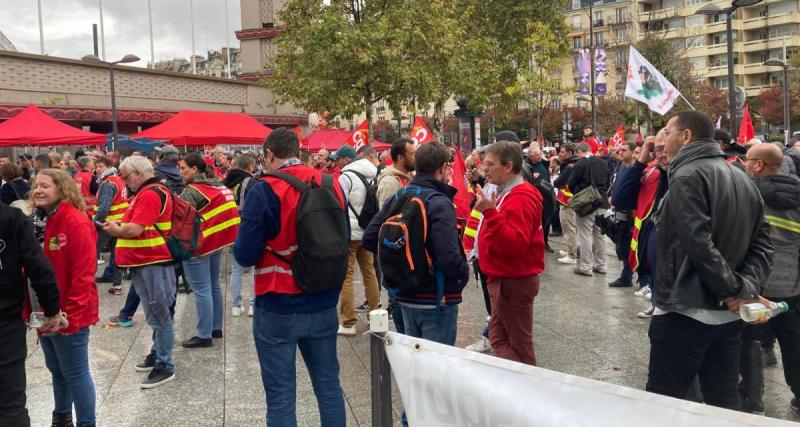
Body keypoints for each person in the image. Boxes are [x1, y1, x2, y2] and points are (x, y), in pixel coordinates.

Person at [646, 111, 773, 410]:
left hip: (686, 312)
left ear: (686, 135)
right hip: (726, 315)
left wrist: (735, 290)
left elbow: (697, 242)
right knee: (722, 400)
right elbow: (763, 244)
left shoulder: (688, 176)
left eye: (667, 131)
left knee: (662, 402)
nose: (662, 141)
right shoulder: (740, 176)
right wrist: (743, 290)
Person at [234, 128, 346, 426]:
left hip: (278, 302)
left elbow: (244, 254)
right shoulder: (329, 183)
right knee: (329, 387)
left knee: (281, 395)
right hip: (323, 298)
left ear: (269, 154)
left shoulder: (264, 189)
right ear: (298, 149)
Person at [363, 142, 469, 346]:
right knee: (436, 368)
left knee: (414, 366)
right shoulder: (439, 202)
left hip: (404, 294)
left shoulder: (400, 195)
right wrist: (460, 276)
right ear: (442, 168)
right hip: (435, 297)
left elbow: (370, 237)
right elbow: (448, 257)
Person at [102, 156, 177, 389]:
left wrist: (116, 229)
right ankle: (158, 354)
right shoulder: (148, 193)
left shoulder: (150, 194)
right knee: (155, 313)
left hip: (154, 261)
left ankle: (165, 364)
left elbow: (134, 229)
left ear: (137, 173)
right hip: (146, 262)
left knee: (160, 313)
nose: (124, 183)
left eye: (125, 177)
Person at [31, 169, 99, 427]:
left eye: (45, 186)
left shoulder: (75, 221)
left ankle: (87, 423)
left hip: (69, 314)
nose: (38, 190)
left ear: (62, 188)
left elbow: (84, 274)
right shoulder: (38, 220)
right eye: (36, 185)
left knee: (75, 372)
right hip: (44, 310)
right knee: (57, 370)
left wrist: (70, 313)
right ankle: (61, 418)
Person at [740, 143, 800, 415]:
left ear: (760, 165)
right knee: (794, 342)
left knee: (750, 340)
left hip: (758, 281)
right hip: (793, 283)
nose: (744, 164)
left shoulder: (747, 192)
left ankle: (752, 402)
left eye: (748, 160)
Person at [473, 141, 544, 365]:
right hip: (503, 278)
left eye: (490, 164)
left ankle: (526, 386)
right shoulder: (508, 192)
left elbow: (515, 243)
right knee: (498, 336)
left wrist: (491, 214)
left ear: (508, 166)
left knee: (519, 344)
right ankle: (516, 380)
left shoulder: (521, 196)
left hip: (513, 281)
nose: (485, 169)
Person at [0, 202, 62, 427]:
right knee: (10, 403)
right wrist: (52, 310)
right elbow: (38, 267)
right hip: (5, 322)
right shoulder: (11, 218)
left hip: (6, 321)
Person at [178, 153, 240, 347]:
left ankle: (204, 335)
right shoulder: (218, 183)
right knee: (213, 285)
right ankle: (215, 328)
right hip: (218, 240)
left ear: (195, 170)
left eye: (183, 168)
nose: (180, 172)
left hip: (199, 244)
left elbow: (180, 219)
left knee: (201, 288)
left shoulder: (191, 190)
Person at [611, 131, 669, 318]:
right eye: (658, 149)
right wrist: (641, 162)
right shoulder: (653, 172)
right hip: (653, 253)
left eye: (666, 148)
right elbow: (619, 198)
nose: (662, 154)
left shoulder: (692, 175)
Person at [337, 145, 381, 336]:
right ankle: (376, 317)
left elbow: (340, 204)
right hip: (369, 230)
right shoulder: (376, 174)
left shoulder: (345, 177)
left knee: (346, 276)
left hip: (350, 232)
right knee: (369, 272)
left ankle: (348, 323)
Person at [375, 138, 416, 332]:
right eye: (412, 154)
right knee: (398, 303)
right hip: (395, 255)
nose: (415, 157)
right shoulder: (390, 182)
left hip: (406, 253)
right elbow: (388, 222)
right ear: (400, 157)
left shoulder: (406, 178)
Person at [568, 142, 611, 276]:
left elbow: (571, 183)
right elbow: (608, 181)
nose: (576, 156)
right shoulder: (603, 162)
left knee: (585, 235)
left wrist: (577, 191)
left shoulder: (581, 163)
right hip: (602, 202)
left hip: (587, 203)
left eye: (577, 153)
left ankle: (585, 267)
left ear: (581, 151)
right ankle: (601, 265)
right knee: (599, 235)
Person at [223, 154, 258, 317]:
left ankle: (236, 306)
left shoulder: (226, 182)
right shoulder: (250, 181)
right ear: (250, 166)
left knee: (236, 269)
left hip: (231, 227)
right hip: (246, 226)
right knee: (253, 267)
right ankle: (253, 304)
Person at [93, 157, 128, 295]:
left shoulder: (107, 183)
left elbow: (104, 207)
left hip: (106, 224)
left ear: (109, 167)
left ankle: (87, 283)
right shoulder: (118, 180)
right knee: (116, 254)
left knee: (92, 252)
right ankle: (117, 285)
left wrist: (95, 222)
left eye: (101, 166)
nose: (97, 169)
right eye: (96, 166)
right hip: (119, 223)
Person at [608, 141, 637, 288]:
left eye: (624, 150)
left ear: (633, 152)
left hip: (631, 214)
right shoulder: (621, 167)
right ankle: (626, 275)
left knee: (632, 247)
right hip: (619, 213)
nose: (620, 153)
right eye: (619, 150)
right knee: (622, 246)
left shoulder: (636, 169)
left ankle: (637, 278)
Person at [553, 145, 579, 264]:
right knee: (571, 227)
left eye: (562, 152)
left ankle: (572, 255)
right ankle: (571, 250)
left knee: (568, 227)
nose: (560, 154)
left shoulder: (569, 167)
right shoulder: (575, 164)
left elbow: (558, 182)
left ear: (569, 153)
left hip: (567, 202)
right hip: (571, 200)